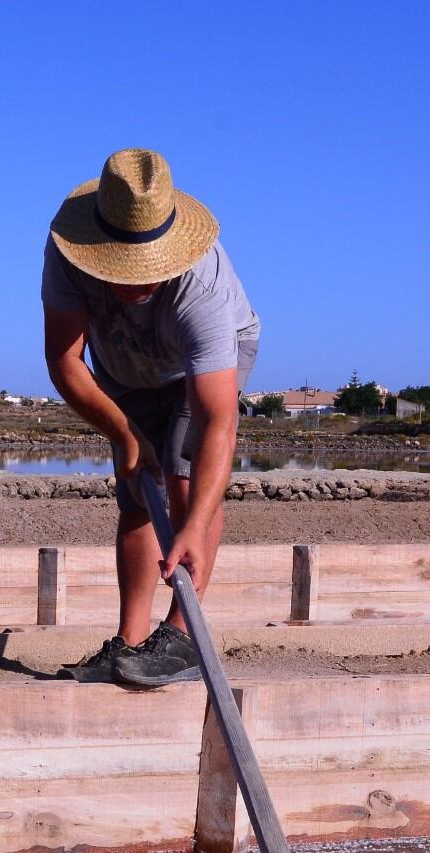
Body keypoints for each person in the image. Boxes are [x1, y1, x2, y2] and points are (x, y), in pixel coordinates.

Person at [42, 149, 260, 687]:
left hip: (201, 372)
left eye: (146, 271)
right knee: (138, 491)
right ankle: (131, 643)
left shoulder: (202, 288)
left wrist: (192, 527)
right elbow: (64, 360)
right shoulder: (66, 254)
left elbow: (217, 423)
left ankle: (183, 636)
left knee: (182, 472)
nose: (134, 284)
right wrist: (124, 433)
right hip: (120, 365)